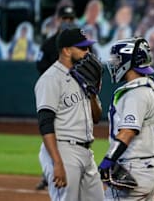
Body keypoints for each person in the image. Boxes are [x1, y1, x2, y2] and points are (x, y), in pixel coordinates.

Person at [97, 37, 154, 200]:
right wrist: (152, 152)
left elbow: (128, 132)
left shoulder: (135, 94)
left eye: (117, 59)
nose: (114, 63)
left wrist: (108, 161)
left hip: (135, 169)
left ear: (129, 62)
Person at [34, 28, 104, 201]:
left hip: (87, 152)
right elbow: (45, 123)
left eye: (87, 47)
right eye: (82, 48)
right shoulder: (50, 79)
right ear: (66, 50)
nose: (87, 52)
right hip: (63, 150)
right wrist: (57, 163)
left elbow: (96, 118)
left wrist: (93, 94)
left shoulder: (83, 77)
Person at [36, 5, 77, 76]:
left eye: (71, 19)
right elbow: (40, 65)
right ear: (58, 20)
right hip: (54, 83)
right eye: (64, 18)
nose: (67, 21)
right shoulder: (48, 44)